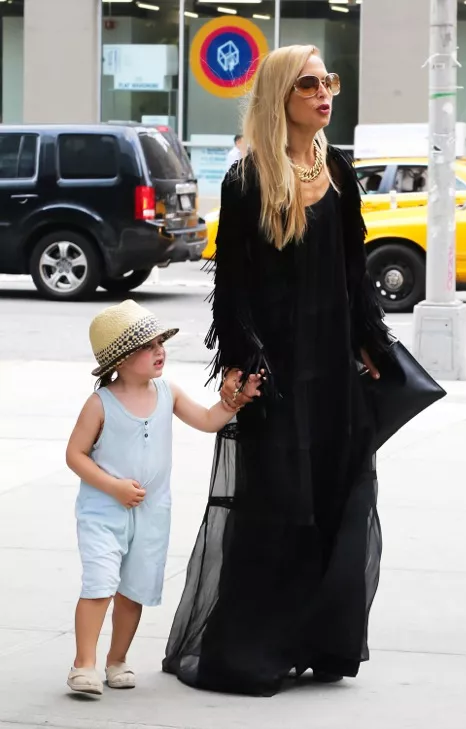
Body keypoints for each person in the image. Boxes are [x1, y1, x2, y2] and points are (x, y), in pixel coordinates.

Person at [163, 45, 392, 697]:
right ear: (281, 96)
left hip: (333, 372)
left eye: (330, 82)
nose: (325, 94)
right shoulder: (248, 179)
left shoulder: (339, 171)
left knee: (333, 499)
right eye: (311, 84)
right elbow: (231, 288)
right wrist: (241, 360)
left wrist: (371, 344)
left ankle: (319, 639)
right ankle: (254, 646)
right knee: (275, 506)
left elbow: (354, 274)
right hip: (278, 374)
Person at [65, 299, 263, 696]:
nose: (159, 351)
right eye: (146, 346)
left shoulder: (167, 392)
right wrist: (113, 487)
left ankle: (117, 660)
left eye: (160, 343)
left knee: (134, 590)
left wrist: (234, 402)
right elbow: (75, 455)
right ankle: (82, 665)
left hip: (153, 512)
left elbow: (208, 421)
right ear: (118, 360)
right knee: (100, 584)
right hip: (104, 510)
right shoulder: (100, 404)